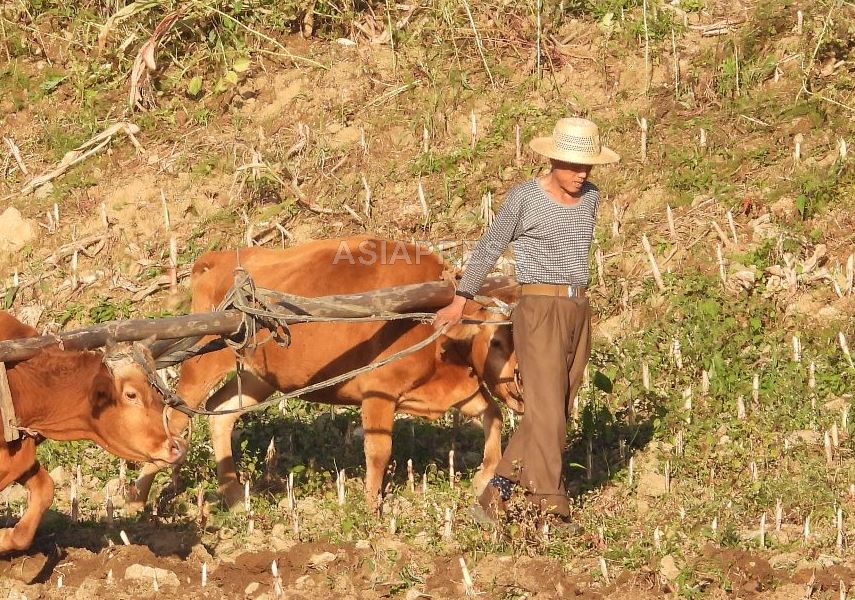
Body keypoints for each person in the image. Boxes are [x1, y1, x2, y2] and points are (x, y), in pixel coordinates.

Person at [433, 117, 620, 521]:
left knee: (557, 409)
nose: (580, 173)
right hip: (538, 310)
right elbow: (489, 246)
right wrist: (461, 300)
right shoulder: (524, 199)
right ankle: (550, 506)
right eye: (572, 165)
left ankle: (495, 498)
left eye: (587, 166)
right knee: (547, 411)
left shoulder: (591, 198)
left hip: (577, 309)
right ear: (553, 159)